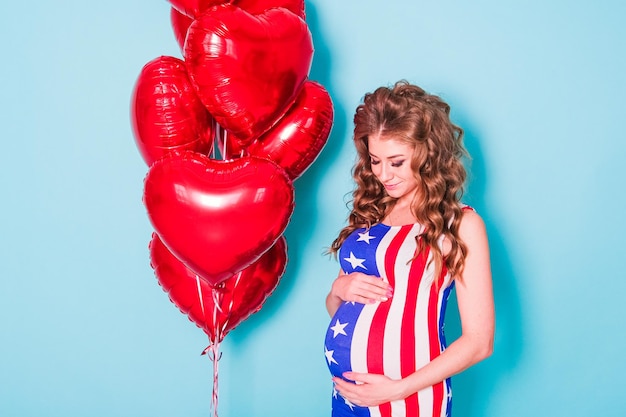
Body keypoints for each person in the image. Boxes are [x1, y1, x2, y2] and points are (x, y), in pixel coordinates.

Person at [323, 80, 495, 417]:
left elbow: (479, 342)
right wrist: (338, 289)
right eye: (375, 160)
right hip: (348, 398)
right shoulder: (370, 214)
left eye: (396, 162)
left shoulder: (460, 224)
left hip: (409, 400)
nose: (383, 174)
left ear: (427, 153)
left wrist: (396, 390)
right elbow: (342, 311)